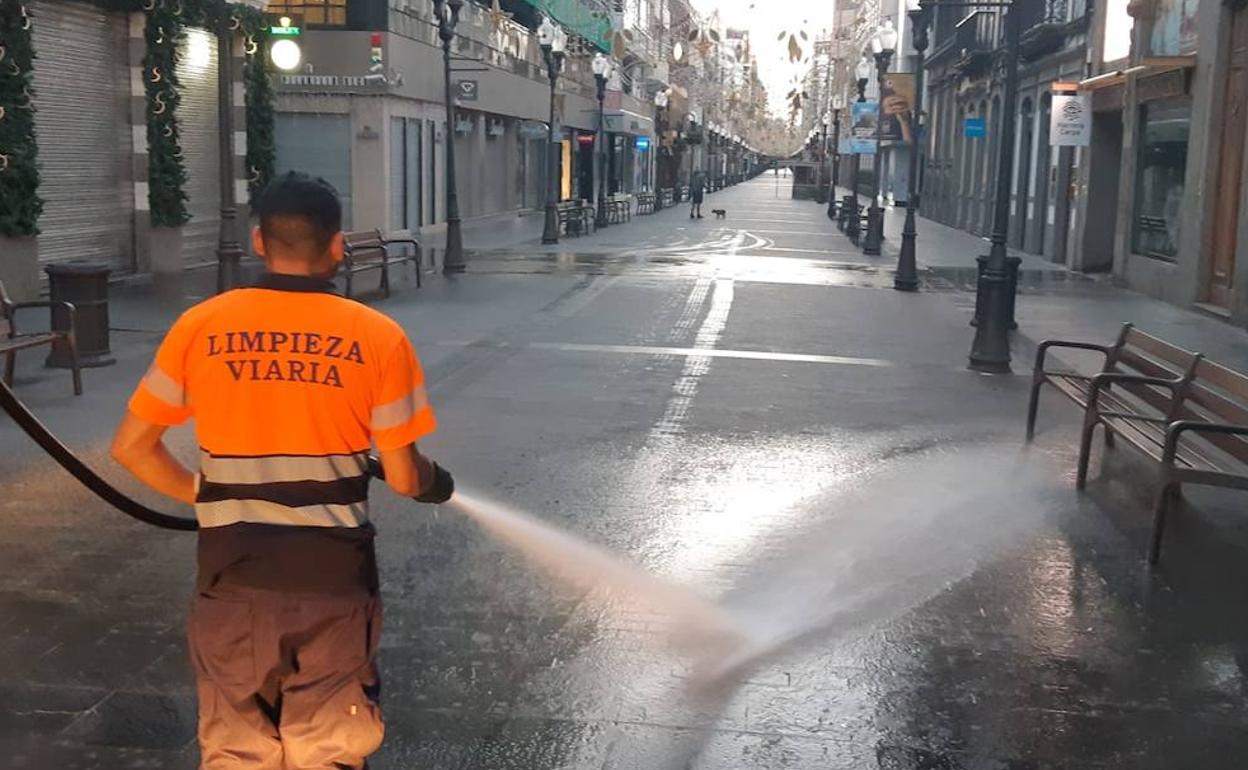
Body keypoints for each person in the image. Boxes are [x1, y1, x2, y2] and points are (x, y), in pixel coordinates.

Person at [110, 171, 454, 769]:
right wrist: (434, 482)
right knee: (327, 751)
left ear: (258, 241)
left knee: (237, 752)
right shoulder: (378, 337)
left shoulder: (201, 326)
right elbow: (402, 477)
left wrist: (212, 498)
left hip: (232, 581)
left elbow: (132, 448)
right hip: (332, 588)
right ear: (338, 244)